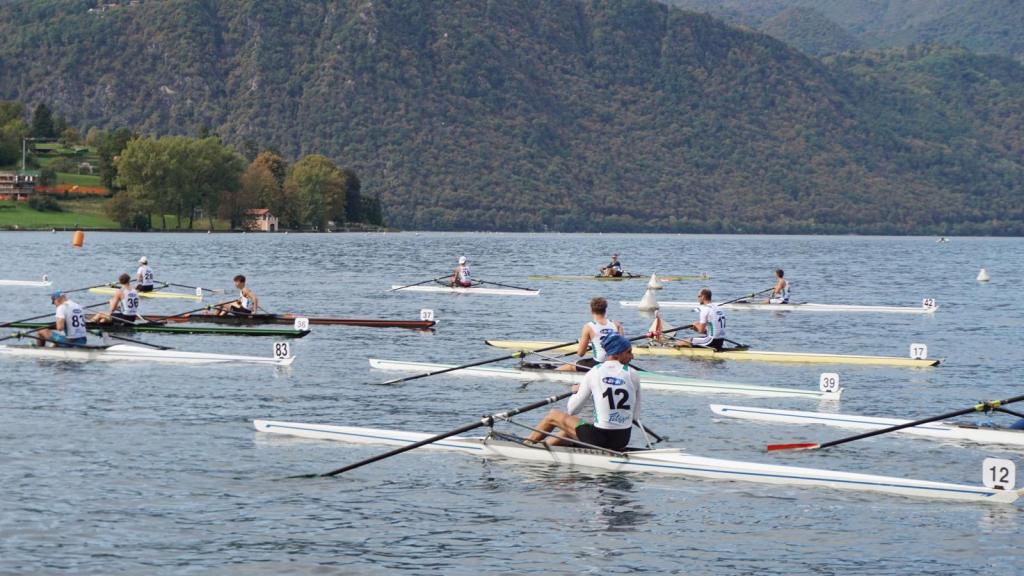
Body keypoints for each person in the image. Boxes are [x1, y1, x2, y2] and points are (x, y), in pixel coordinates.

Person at [524, 333, 640, 451]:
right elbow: (635, 416)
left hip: (600, 440)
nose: (632, 356)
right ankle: (543, 449)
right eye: (629, 352)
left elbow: (572, 410)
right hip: (623, 439)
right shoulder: (633, 374)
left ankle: (525, 446)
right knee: (571, 427)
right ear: (617, 353)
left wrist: (575, 391)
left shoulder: (594, 372)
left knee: (553, 415)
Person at [558, 297, 624, 372]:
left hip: (598, 363)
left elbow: (580, 353)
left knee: (571, 366)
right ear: (605, 310)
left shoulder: (588, 327)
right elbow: (623, 348)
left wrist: (582, 343)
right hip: (616, 363)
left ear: (591, 310)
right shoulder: (617, 324)